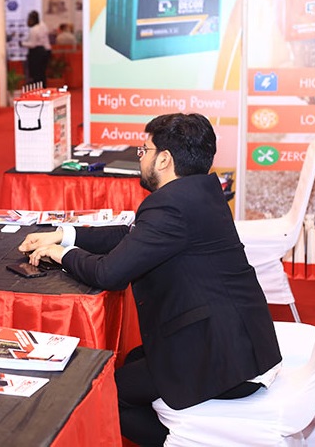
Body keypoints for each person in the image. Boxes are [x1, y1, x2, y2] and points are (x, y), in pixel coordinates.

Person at [19, 113, 282, 445]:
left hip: (225, 360)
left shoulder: (171, 206)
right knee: (134, 359)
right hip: (239, 340)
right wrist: (64, 234)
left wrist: (62, 254)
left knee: (103, 394)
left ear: (164, 159)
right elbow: (133, 237)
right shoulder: (199, 192)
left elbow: (109, 273)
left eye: (144, 150)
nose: (140, 158)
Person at [20, 10, 51, 86]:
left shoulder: (34, 29)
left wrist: (22, 44)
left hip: (37, 53)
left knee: (36, 73)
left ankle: (38, 89)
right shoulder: (43, 25)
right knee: (42, 73)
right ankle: (43, 88)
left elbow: (32, 44)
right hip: (46, 51)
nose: (28, 22)